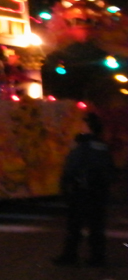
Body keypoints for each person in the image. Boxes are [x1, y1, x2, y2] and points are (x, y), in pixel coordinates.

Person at [53, 112, 115, 267]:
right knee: (96, 226)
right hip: (99, 191)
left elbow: (71, 166)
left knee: (75, 225)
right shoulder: (102, 145)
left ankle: (70, 256)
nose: (80, 126)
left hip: (81, 190)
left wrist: (65, 185)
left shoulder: (82, 145)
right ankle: (97, 257)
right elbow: (109, 169)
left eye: (83, 124)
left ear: (88, 127)